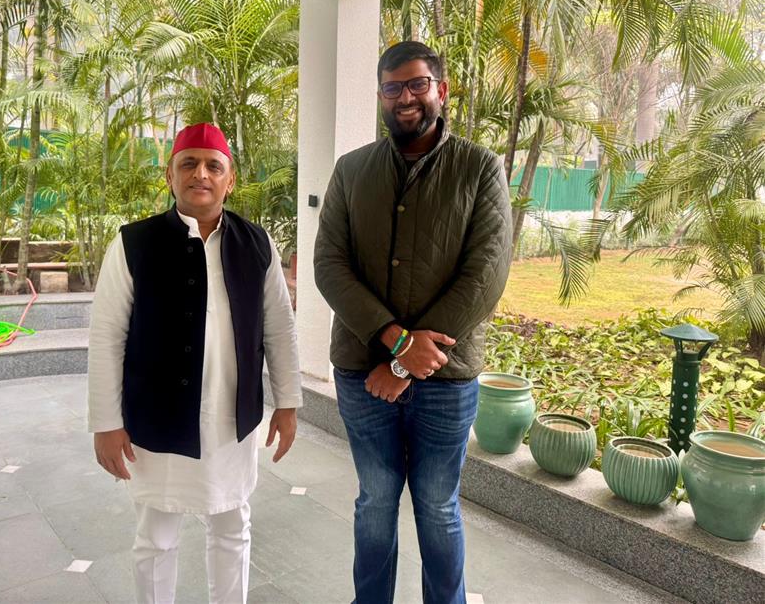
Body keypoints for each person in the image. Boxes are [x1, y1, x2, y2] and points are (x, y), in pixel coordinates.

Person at [314, 41, 513, 603]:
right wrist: (397, 341)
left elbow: (487, 272)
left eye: (417, 84)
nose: (405, 97)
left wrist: (406, 363)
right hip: (363, 372)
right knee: (375, 501)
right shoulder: (352, 170)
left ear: (441, 90)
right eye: (392, 87)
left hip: (445, 378)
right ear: (380, 96)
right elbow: (329, 264)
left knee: (437, 506)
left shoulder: (479, 167)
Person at [87, 122, 302, 604]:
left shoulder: (257, 244)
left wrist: (288, 403)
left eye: (213, 166)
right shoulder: (133, 243)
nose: (200, 174)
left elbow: (279, 328)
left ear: (230, 179)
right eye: (189, 164)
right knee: (156, 536)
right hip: (157, 417)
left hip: (231, 418)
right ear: (170, 175)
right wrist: (105, 423)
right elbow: (106, 337)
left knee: (232, 526)